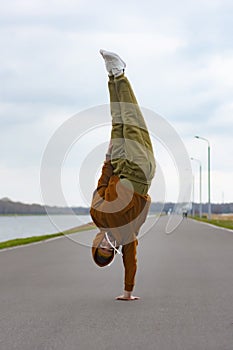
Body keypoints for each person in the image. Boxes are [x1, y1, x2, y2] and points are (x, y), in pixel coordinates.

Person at [90, 49, 156, 300]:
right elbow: (132, 261)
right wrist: (128, 292)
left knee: (117, 121)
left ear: (97, 243)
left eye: (102, 248)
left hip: (118, 164)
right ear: (114, 251)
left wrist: (107, 160)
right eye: (109, 251)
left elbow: (102, 183)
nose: (108, 246)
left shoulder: (96, 213)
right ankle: (121, 74)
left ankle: (111, 77)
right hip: (139, 170)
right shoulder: (128, 235)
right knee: (132, 117)